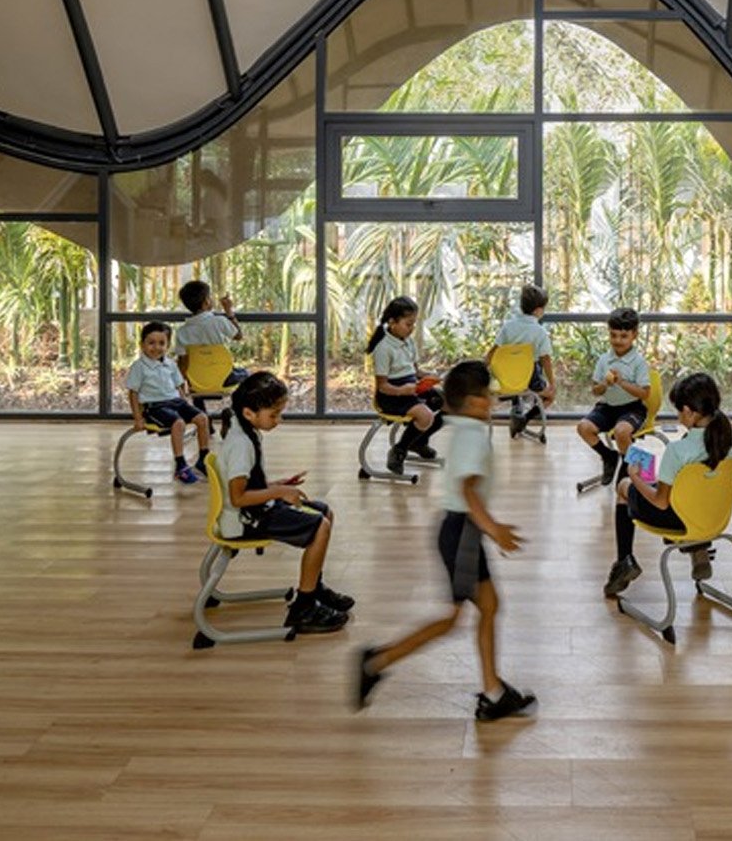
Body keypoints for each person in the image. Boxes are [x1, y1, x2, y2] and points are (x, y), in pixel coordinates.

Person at [353, 359, 536, 722]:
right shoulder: (470, 435)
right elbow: (467, 489)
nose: (494, 402)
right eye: (489, 396)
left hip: (461, 531)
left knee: (489, 607)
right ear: (474, 402)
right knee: (456, 618)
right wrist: (493, 527)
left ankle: (493, 691)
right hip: (463, 531)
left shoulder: (465, 428)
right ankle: (375, 662)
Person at [215, 370, 352, 636]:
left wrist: (279, 484)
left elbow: (247, 486)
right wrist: (278, 492)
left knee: (324, 512)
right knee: (319, 526)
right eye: (273, 415)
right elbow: (238, 497)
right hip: (246, 520)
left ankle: (314, 586)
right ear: (248, 413)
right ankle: (304, 607)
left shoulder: (245, 433)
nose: (279, 420)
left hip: (254, 510)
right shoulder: (241, 445)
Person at [606, 370, 732, 597]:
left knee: (623, 487)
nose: (678, 417)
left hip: (679, 519)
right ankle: (699, 549)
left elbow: (661, 502)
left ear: (690, 413)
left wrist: (634, 477)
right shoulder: (729, 444)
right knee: (691, 492)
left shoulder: (677, 451)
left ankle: (625, 560)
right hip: (714, 517)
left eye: (679, 411)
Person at [125, 319, 211, 485]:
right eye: (151, 343)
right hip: (154, 407)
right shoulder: (139, 367)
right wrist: (138, 418)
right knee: (178, 423)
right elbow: (133, 393)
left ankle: (203, 459)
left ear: (167, 345)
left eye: (161, 343)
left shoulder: (170, 364)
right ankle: (180, 465)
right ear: (142, 345)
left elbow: (179, 386)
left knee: (202, 419)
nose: (156, 347)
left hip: (176, 402)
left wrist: (185, 405)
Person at [367, 294, 444, 473]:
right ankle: (399, 450)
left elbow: (415, 371)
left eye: (413, 324)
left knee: (446, 402)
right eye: (408, 324)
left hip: (411, 389)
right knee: (426, 416)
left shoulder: (408, 342)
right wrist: (402, 391)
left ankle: (418, 442)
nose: (412, 328)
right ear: (393, 322)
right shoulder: (383, 348)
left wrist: (431, 377)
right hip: (392, 396)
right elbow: (382, 386)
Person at [575, 306, 651, 484]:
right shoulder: (604, 360)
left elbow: (645, 393)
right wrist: (605, 384)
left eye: (623, 336)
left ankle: (630, 467)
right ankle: (609, 456)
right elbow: (595, 391)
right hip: (607, 407)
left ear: (634, 335)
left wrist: (622, 383)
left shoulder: (638, 362)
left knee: (621, 432)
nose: (617, 340)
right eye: (613, 335)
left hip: (632, 408)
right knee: (583, 427)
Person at [487, 282, 556, 436]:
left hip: (505, 381)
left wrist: (484, 372)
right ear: (538, 310)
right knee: (550, 396)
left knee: (515, 383)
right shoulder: (539, 332)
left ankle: (517, 411)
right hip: (529, 381)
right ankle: (524, 419)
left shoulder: (508, 326)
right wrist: (552, 383)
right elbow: (546, 360)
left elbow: (492, 353)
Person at [174, 278, 248, 392]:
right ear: (206, 302)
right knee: (245, 373)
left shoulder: (182, 332)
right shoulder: (219, 321)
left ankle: (199, 408)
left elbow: (183, 362)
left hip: (197, 382)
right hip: (224, 379)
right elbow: (238, 336)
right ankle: (238, 407)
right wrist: (228, 310)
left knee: (197, 378)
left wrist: (184, 382)